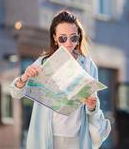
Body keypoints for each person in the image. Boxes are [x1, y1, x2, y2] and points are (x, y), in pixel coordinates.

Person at [10, 10, 111, 149]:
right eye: (63, 38)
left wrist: (92, 105)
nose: (69, 43)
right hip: (48, 138)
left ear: (79, 37)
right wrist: (24, 78)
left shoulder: (88, 65)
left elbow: (93, 107)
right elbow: (15, 93)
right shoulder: (44, 62)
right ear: (55, 38)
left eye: (73, 38)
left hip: (77, 138)